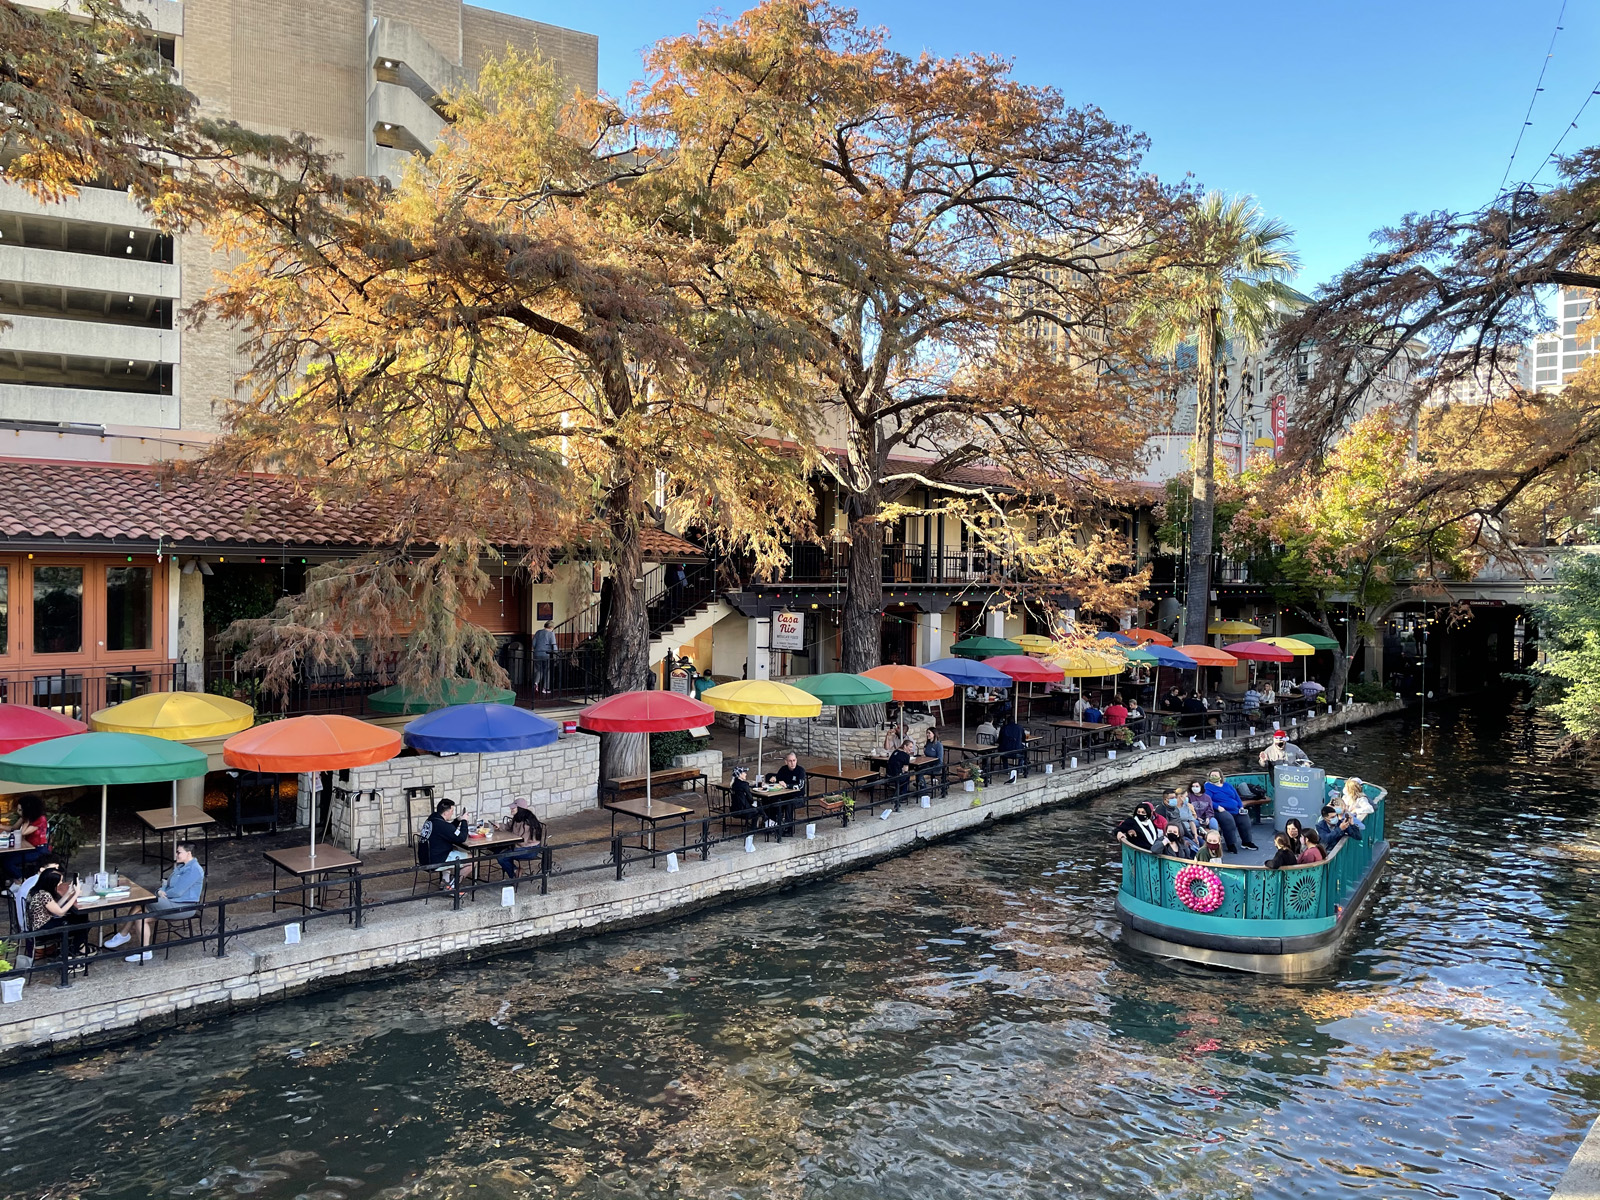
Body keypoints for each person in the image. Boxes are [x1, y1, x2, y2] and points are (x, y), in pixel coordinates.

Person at [105, 842, 205, 960]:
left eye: (179, 852)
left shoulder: (194, 869)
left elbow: (178, 892)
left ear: (188, 853)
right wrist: (159, 892)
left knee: (143, 901)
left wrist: (162, 895)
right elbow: (166, 884)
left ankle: (123, 934)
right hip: (170, 903)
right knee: (140, 917)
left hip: (184, 907)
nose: (176, 854)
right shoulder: (181, 867)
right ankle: (145, 951)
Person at [26, 868, 89, 959]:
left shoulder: (35, 890)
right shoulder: (44, 895)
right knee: (82, 924)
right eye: (59, 882)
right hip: (42, 930)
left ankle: (77, 947)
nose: (60, 884)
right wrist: (76, 894)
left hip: (36, 926)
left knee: (80, 918)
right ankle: (74, 951)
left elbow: (55, 907)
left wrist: (68, 893)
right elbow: (60, 912)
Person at [420, 798, 474, 890]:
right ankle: (452, 887)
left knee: (453, 850)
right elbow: (461, 838)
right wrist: (464, 821)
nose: (452, 813)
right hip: (435, 861)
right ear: (445, 813)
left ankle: (445, 881)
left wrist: (458, 820)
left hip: (424, 859)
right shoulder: (443, 826)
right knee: (473, 859)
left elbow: (449, 830)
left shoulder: (432, 819)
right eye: (452, 811)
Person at [1204, 770, 1259, 851]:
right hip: (1220, 810)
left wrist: (1241, 807)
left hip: (1235, 808)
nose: (1213, 777)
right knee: (1228, 820)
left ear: (1220, 777)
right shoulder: (1208, 787)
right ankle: (1231, 844)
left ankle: (1247, 842)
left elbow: (1236, 797)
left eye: (1216, 775)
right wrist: (1218, 807)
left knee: (1244, 819)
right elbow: (1208, 800)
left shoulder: (1227, 785)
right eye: (1212, 775)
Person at [2, 796, 51, 883]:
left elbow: (23, 832)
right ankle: (9, 879)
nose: (18, 812)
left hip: (39, 850)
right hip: (28, 847)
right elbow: (14, 828)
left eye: (20, 810)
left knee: (8, 862)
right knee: (3, 856)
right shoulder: (26, 817)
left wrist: (26, 820)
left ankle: (23, 880)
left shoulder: (40, 819)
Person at [496, 800, 545, 879]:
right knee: (497, 850)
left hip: (530, 849)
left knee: (502, 856)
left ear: (520, 809)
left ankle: (514, 876)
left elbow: (521, 841)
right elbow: (509, 826)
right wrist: (499, 826)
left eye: (513, 808)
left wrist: (508, 841)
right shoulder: (518, 817)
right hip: (520, 846)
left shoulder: (526, 823)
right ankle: (516, 871)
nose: (511, 809)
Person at [530, 620, 557, 693]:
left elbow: (533, 644)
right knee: (547, 671)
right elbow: (553, 645)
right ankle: (545, 688)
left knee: (539, 670)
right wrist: (556, 654)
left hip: (537, 654)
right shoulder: (551, 634)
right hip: (546, 654)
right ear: (551, 627)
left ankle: (536, 682)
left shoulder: (538, 632)